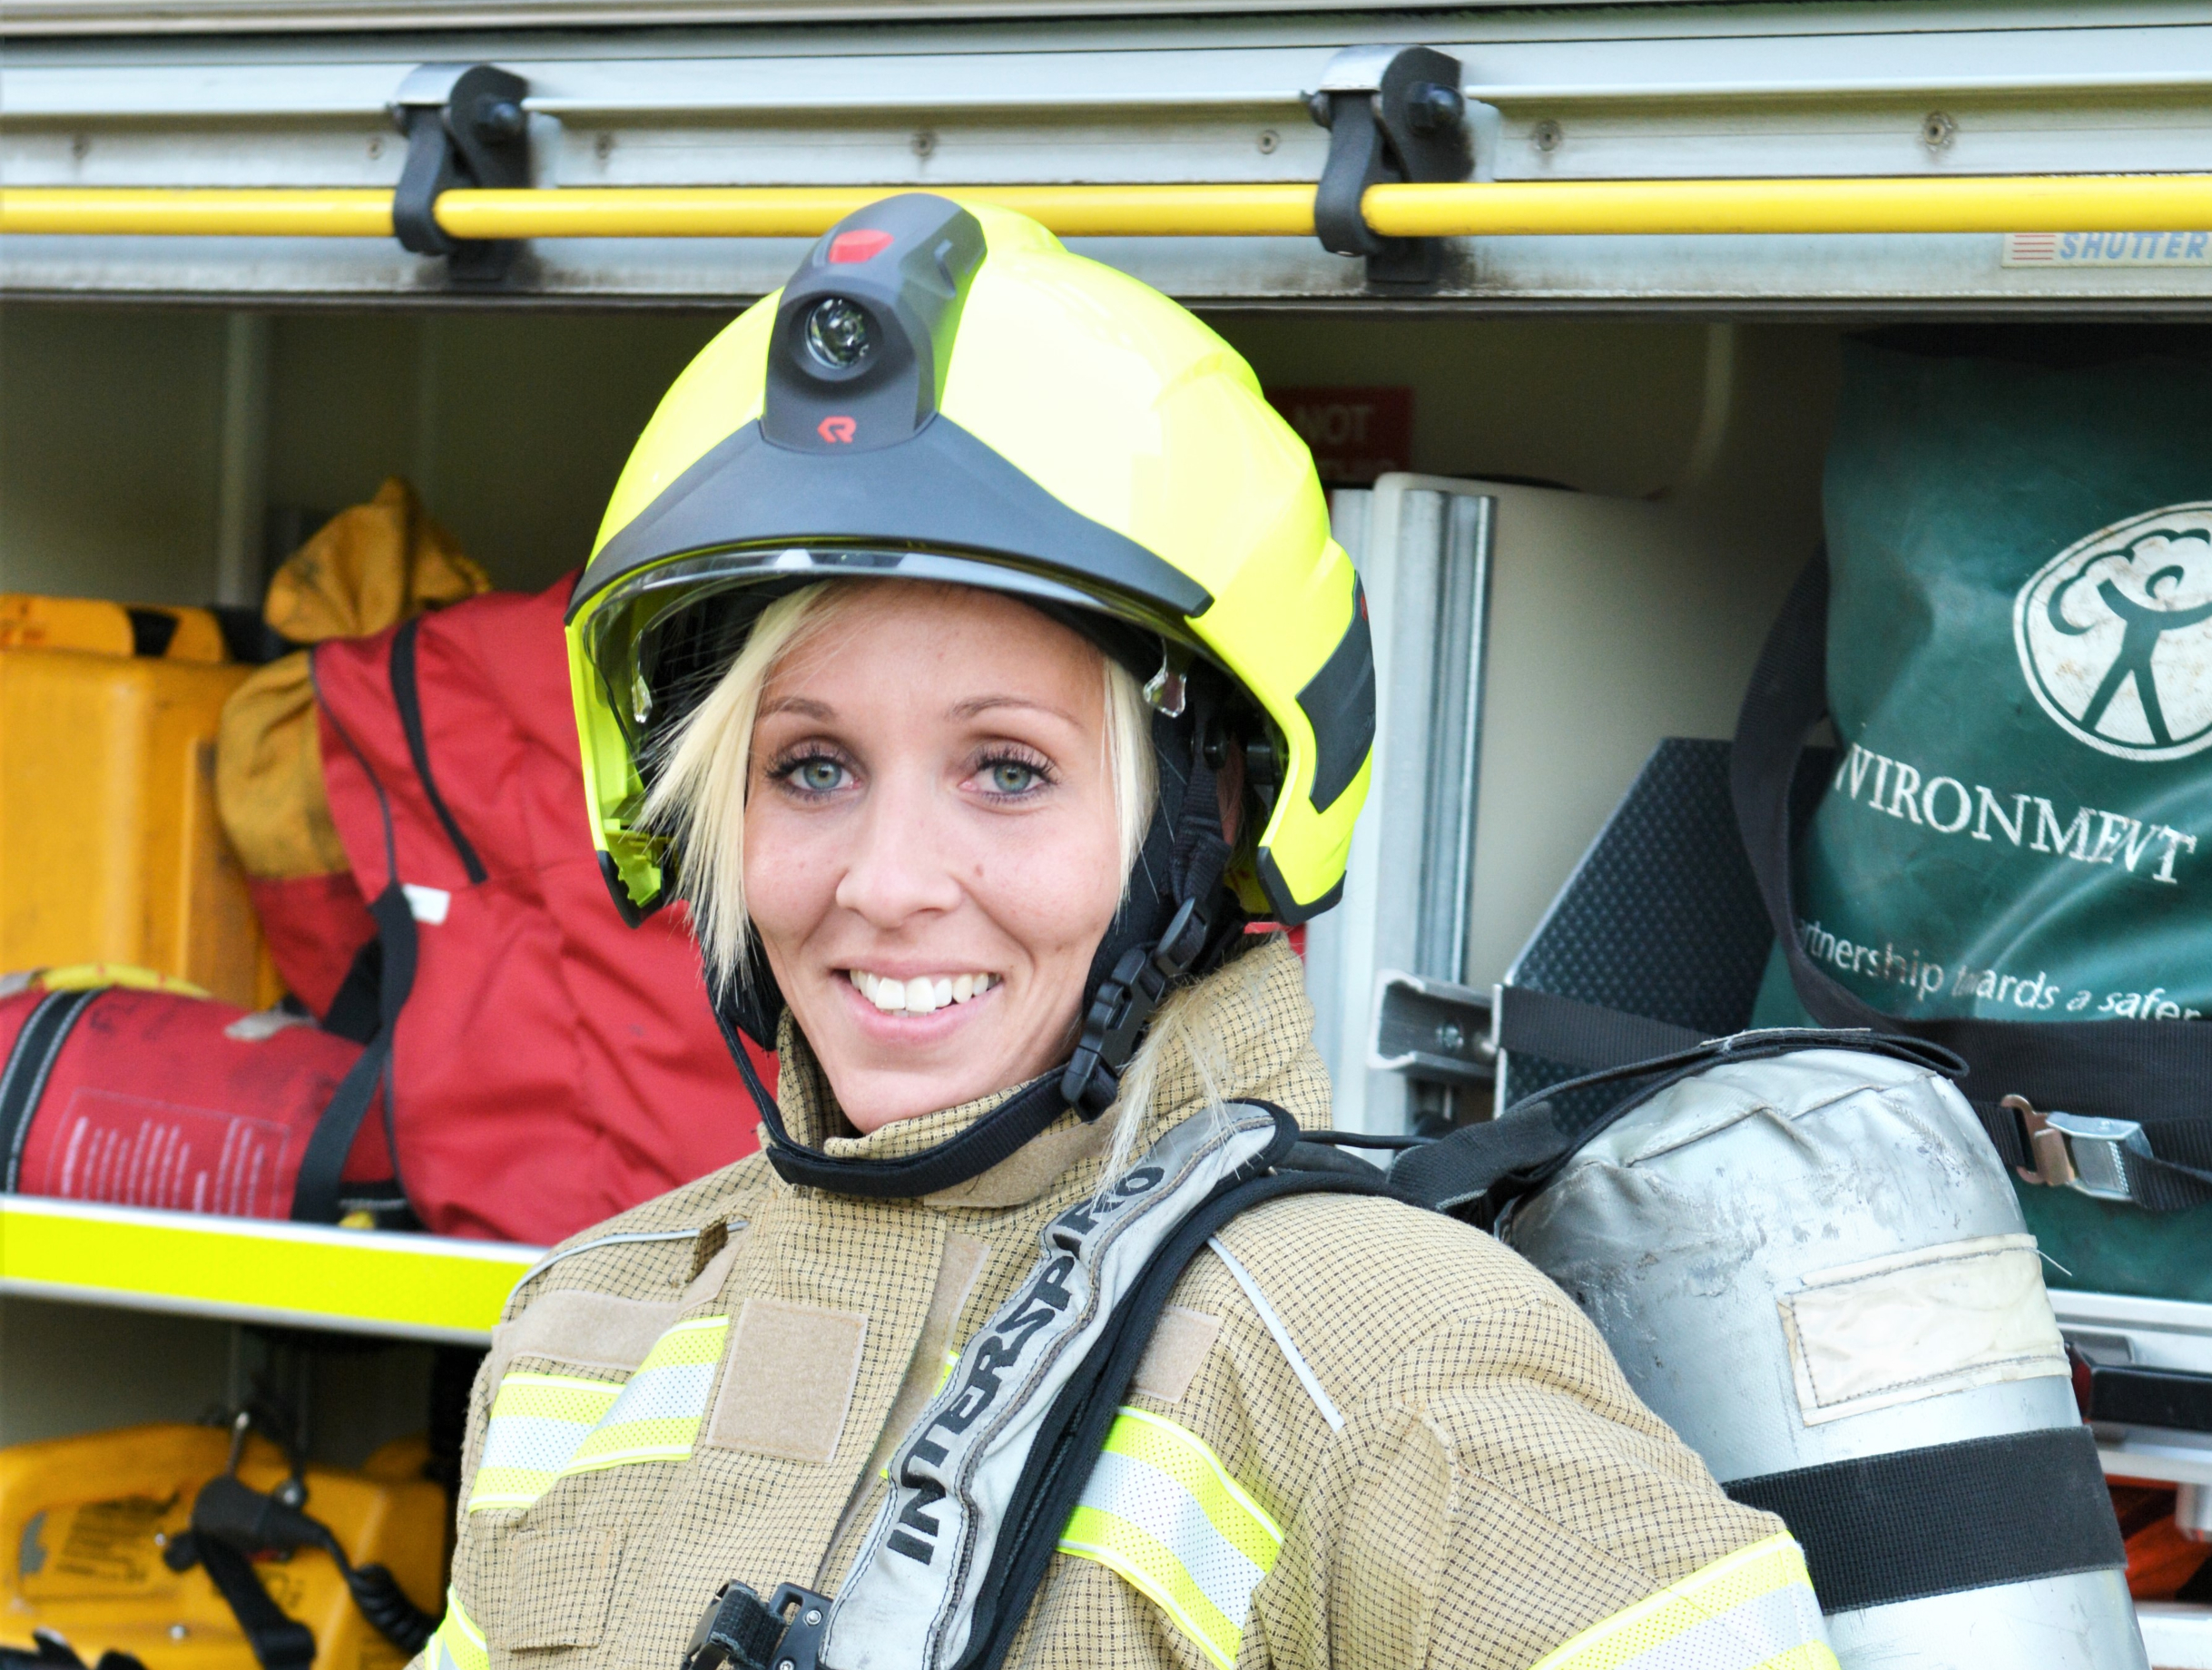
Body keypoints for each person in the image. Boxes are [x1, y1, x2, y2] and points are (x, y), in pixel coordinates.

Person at [423, 195, 1836, 1670]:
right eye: (811, 768)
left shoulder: (1379, 1354)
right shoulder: (588, 1322)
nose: (890, 881)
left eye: (1008, 770)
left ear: (1207, 813)